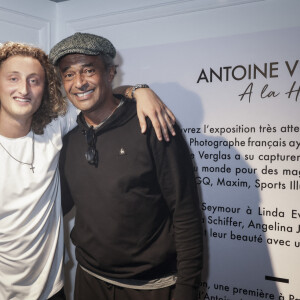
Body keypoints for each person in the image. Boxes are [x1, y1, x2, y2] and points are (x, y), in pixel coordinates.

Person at [0, 41, 175, 300]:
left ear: (44, 88)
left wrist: (140, 90)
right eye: (13, 78)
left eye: (34, 80)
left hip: (53, 291)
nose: (24, 89)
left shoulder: (54, 129)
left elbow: (98, 95)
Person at [53, 33, 203, 300]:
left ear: (110, 73)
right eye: (69, 74)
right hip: (89, 281)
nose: (79, 83)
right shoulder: (69, 141)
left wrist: (187, 290)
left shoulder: (153, 125)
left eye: (89, 70)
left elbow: (185, 213)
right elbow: (54, 207)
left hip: (151, 287)